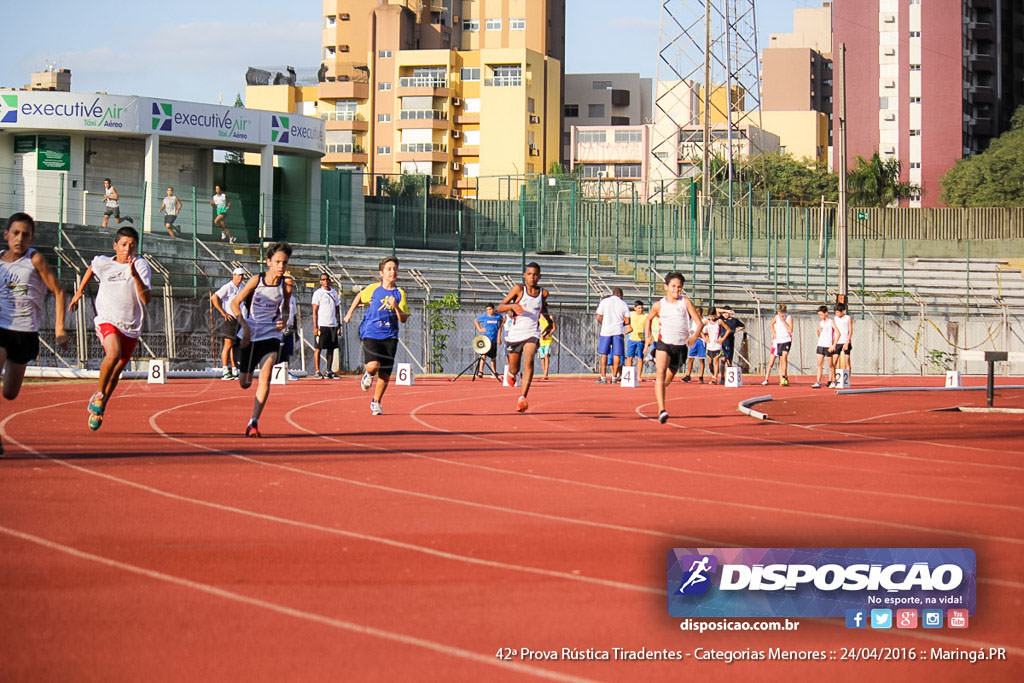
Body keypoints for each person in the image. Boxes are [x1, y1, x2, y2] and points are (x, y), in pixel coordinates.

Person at [69, 226, 151, 431]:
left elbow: (146, 299)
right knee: (112, 354)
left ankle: (102, 405)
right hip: (107, 320)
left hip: (131, 326)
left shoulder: (141, 265)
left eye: (132, 246)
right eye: (123, 245)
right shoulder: (104, 262)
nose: (127, 250)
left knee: (116, 375)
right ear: (115, 246)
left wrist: (135, 276)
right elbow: (91, 268)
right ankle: (98, 395)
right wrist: (79, 291)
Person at [0, 213, 69, 452]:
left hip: (25, 332)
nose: (20, 239)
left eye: (25, 235)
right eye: (15, 233)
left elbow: (59, 291)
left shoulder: (35, 260)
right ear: (6, 235)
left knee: (9, 394)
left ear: (32, 238)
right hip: (1, 327)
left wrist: (60, 328)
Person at [231, 242, 293, 437]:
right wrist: (245, 326)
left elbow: (286, 308)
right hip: (250, 333)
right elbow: (235, 303)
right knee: (245, 383)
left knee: (266, 374)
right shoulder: (256, 280)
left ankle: (254, 421)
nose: (281, 266)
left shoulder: (286, 286)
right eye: (277, 262)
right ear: (268, 262)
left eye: (284, 262)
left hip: (271, 335)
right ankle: (245, 372)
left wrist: (283, 319)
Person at [344, 256, 410, 416]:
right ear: (381, 273)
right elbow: (359, 296)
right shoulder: (373, 289)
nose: (392, 272)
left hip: (390, 335)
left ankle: (376, 402)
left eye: (395, 269)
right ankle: (368, 374)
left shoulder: (399, 293)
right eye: (389, 269)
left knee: (385, 374)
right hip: (371, 332)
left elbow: (403, 318)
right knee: (373, 365)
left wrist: (395, 306)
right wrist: (349, 314)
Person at [645, 272, 701, 424]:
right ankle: (661, 409)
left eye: (679, 287)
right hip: (664, 344)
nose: (677, 290)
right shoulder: (659, 305)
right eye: (673, 286)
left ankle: (660, 391)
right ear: (666, 287)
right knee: (660, 372)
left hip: (680, 347)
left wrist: (694, 337)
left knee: (667, 379)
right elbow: (648, 319)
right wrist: (647, 337)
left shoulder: (686, 302)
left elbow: (699, 322)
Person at [497, 262, 552, 413]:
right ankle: (511, 373)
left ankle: (522, 398)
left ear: (539, 276)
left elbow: (544, 309)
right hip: (515, 335)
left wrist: (548, 322)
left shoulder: (543, 293)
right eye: (529, 274)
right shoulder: (518, 290)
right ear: (524, 275)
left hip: (532, 333)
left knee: (529, 359)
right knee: (514, 368)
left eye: (535, 275)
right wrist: (512, 307)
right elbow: (500, 307)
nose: (532, 277)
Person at [211, 267, 246, 380]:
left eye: (242, 275)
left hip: (239, 319)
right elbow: (214, 297)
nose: (240, 277)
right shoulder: (228, 286)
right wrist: (223, 313)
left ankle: (235, 369)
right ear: (233, 275)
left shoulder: (241, 288)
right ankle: (225, 370)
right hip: (230, 319)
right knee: (228, 344)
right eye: (238, 275)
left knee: (235, 345)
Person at [595, 287, 629, 383]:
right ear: (621, 295)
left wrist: (604, 323)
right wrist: (620, 323)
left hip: (605, 331)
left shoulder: (604, 302)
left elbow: (598, 316)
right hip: (618, 331)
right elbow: (627, 321)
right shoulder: (623, 304)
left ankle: (603, 377)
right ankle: (614, 377)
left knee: (604, 354)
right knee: (616, 354)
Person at [311, 274, 341, 379]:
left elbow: (337, 310)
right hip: (322, 325)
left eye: (327, 279)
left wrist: (339, 324)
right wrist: (315, 327)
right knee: (318, 348)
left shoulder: (334, 292)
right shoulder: (318, 293)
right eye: (323, 280)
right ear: (320, 282)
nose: (326, 281)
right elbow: (314, 311)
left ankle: (328, 370)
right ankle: (317, 371)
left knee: (331, 348)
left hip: (332, 325)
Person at [761, 303, 793, 386]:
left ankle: (784, 377)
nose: (781, 314)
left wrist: (783, 321)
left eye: (782, 313)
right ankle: (775, 378)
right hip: (778, 341)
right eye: (780, 313)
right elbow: (771, 324)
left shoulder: (789, 317)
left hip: (786, 340)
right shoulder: (776, 317)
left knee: (784, 358)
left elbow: (790, 330)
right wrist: (774, 333)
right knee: (778, 361)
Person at [473, 303, 503, 379]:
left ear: (493, 309)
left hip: (494, 339)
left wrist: (499, 337)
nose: (489, 311)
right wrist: (479, 328)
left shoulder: (498, 316)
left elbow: (501, 325)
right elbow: (476, 320)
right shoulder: (484, 317)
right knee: (483, 355)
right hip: (486, 339)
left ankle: (493, 372)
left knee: (493, 357)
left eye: (490, 309)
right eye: (487, 310)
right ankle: (480, 371)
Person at [812, 304, 837, 389]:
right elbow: (819, 332)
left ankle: (834, 381)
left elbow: (838, 333)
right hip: (820, 345)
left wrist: (833, 345)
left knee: (831, 365)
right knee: (819, 364)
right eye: (819, 315)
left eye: (821, 314)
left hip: (828, 346)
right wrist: (818, 332)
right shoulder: (820, 323)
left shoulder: (831, 322)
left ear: (826, 313)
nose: (820, 316)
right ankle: (818, 381)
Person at [681, 305, 706, 383]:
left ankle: (701, 376)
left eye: (698, 312)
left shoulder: (704, 320)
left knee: (701, 359)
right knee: (691, 358)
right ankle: (688, 375)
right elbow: (690, 331)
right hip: (693, 341)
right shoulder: (692, 321)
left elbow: (704, 332)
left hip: (701, 341)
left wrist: (697, 333)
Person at [702, 308, 728, 384]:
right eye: (710, 316)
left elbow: (728, 329)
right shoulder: (706, 322)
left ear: (715, 315)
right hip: (709, 345)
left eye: (713, 316)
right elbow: (699, 328)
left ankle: (715, 378)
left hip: (717, 345)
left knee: (716, 361)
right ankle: (713, 375)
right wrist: (704, 337)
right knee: (710, 364)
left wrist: (722, 338)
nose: (711, 318)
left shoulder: (719, 321)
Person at [625, 300, 647, 382]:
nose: (640, 310)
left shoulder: (645, 316)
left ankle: (638, 376)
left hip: (641, 340)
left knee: (640, 358)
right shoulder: (631, 314)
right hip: (632, 340)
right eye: (638, 308)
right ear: (635, 308)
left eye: (641, 308)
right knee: (629, 358)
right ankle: (628, 376)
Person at [719, 306, 745, 374]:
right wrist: (727, 311)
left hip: (730, 340)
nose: (726, 314)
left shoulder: (734, 320)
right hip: (723, 340)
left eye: (727, 313)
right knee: (723, 359)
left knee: (729, 359)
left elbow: (743, 326)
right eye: (724, 313)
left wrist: (736, 330)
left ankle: (729, 376)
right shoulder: (721, 319)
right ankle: (722, 377)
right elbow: (716, 310)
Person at [834, 302, 853, 376]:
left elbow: (850, 331)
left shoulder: (848, 318)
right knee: (834, 361)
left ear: (843, 311)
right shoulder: (835, 318)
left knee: (847, 361)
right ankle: (832, 379)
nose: (837, 314)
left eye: (838, 312)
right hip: (837, 341)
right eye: (836, 312)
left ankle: (847, 379)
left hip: (845, 341)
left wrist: (847, 342)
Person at [537, 311, 556, 379]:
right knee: (542, 358)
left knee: (546, 355)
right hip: (541, 341)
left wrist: (548, 334)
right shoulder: (538, 318)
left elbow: (554, 328)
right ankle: (544, 373)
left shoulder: (549, 318)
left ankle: (546, 374)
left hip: (548, 340)